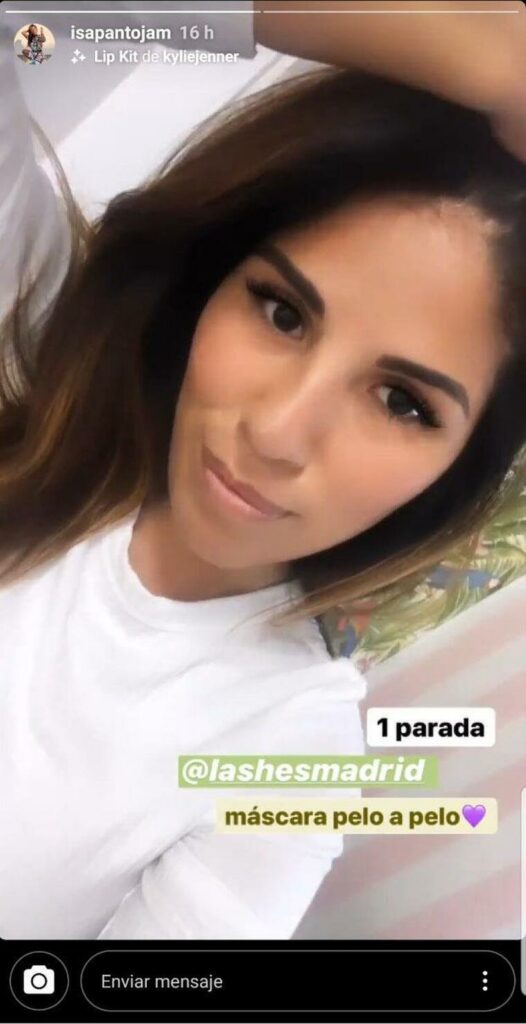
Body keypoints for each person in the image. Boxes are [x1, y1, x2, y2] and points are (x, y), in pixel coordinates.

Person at [0, 1, 525, 941]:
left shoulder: (290, 753)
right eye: (282, 312)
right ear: (211, 275)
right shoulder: (35, 353)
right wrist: (487, 58)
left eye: (402, 402)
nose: (279, 432)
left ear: (456, 471)